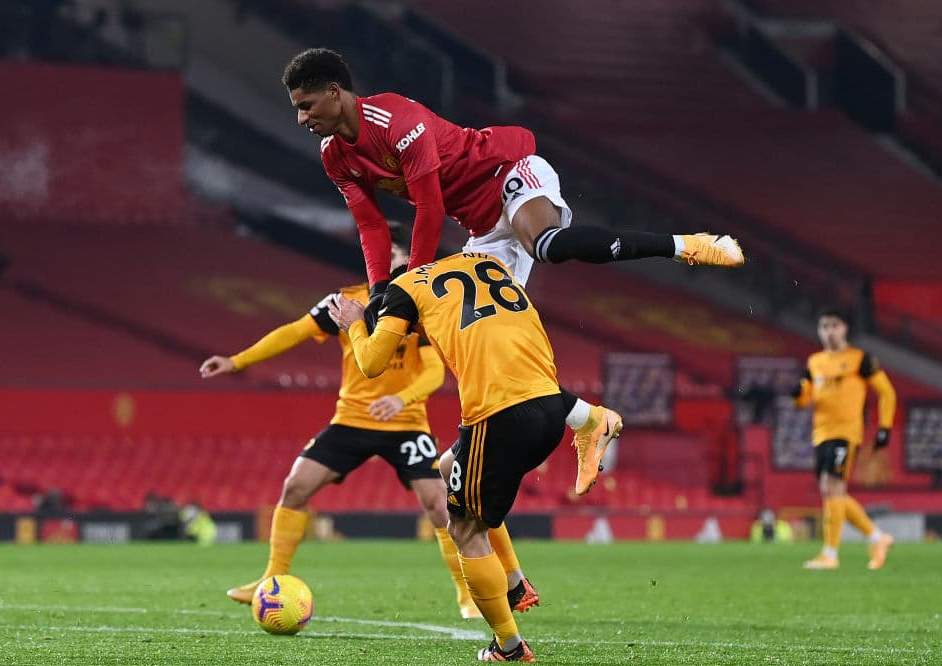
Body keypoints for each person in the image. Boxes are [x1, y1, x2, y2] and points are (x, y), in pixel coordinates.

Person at [283, 47, 686, 494]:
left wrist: (411, 284)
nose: (301, 118)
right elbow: (371, 225)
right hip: (484, 227)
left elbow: (430, 209)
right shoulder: (334, 155)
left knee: (546, 248)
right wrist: (380, 289)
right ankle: (586, 418)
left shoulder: (398, 121)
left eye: (306, 106)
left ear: (334, 92)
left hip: (506, 175)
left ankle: (678, 245)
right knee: (466, 331)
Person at [199, 232, 538, 618]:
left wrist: (401, 399)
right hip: (352, 419)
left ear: (407, 256)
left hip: (406, 423)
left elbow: (433, 372)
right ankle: (272, 579)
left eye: (394, 251)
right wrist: (237, 361)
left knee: (440, 504)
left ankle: (467, 594)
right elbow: (294, 331)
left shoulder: (418, 300)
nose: (387, 257)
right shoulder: (346, 301)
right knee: (296, 486)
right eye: (382, 251)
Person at [327, 251, 623, 662]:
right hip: (550, 406)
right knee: (448, 468)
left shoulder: (403, 289)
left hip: (499, 418)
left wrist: (356, 324)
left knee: (464, 529)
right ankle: (515, 580)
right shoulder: (484, 260)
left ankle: (509, 646)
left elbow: (372, 362)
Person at [791, 307, 896, 570]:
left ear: (845, 328)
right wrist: (798, 395)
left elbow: (887, 392)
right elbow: (804, 401)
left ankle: (831, 554)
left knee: (832, 487)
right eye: (824, 327)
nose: (829, 332)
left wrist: (885, 427)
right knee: (832, 492)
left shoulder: (859, 359)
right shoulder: (815, 362)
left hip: (846, 433)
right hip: (821, 433)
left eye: (834, 326)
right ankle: (877, 537)